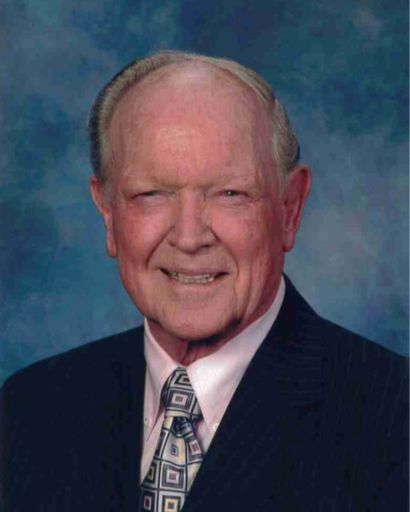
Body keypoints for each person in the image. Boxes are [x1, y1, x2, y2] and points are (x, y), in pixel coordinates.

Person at [0, 51, 408, 512]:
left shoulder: (394, 419)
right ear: (108, 212)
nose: (190, 237)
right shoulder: (30, 409)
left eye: (230, 194)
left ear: (290, 208)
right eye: (151, 194)